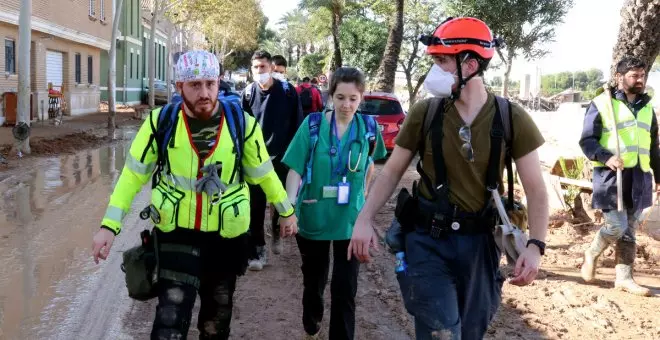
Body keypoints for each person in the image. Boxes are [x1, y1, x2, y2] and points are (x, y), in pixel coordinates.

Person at [347, 17, 549, 339]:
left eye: (442, 61)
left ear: (469, 64)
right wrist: (364, 218)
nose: (434, 70)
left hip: (481, 245)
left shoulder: (510, 118)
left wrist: (536, 245)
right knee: (441, 331)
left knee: (470, 331)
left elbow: (537, 189)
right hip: (428, 241)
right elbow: (392, 171)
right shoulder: (425, 113)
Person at [92, 50, 298, 340]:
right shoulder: (159, 123)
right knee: (169, 323)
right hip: (176, 235)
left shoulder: (242, 125)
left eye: (210, 84)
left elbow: (264, 174)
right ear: (180, 88)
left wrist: (286, 211)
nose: (205, 92)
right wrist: (108, 227)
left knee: (216, 325)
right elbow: (131, 177)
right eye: (195, 85)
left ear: (219, 82)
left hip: (226, 241)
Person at [282, 67, 386, 340]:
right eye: (340, 97)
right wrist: (288, 209)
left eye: (353, 98)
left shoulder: (369, 129)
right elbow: (294, 168)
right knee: (314, 282)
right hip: (314, 215)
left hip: (350, 222)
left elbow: (370, 165)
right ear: (331, 96)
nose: (346, 105)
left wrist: (363, 201)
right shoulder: (313, 125)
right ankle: (311, 325)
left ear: (361, 98)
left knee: (345, 289)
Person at [579, 56, 657, 297]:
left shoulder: (647, 107)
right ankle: (591, 253)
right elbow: (587, 140)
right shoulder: (602, 103)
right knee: (617, 225)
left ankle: (624, 278)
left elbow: (653, 146)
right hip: (612, 175)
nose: (639, 80)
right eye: (634, 75)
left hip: (639, 178)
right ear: (619, 77)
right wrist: (606, 157)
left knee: (630, 228)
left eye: (642, 75)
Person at [242, 50, 304, 270]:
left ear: (271, 68)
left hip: (282, 159)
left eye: (263, 67)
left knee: (280, 202)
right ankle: (257, 251)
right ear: (252, 70)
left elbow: (298, 126)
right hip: (256, 161)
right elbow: (241, 128)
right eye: (256, 67)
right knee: (255, 207)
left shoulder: (288, 92)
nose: (260, 71)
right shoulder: (248, 93)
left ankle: (277, 232)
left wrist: (294, 158)